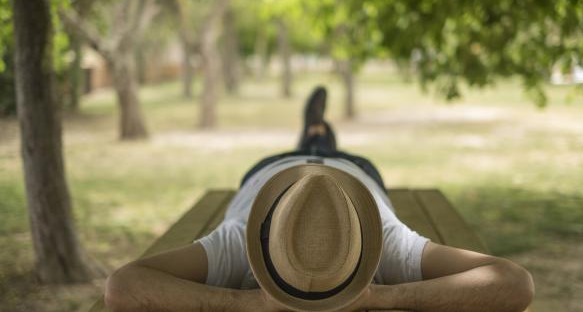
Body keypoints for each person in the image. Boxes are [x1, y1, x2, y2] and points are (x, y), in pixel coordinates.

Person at [104, 87, 534, 312]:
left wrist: (375, 298)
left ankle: (314, 130)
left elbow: (514, 284)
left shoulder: (379, 238)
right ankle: (318, 131)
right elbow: (120, 289)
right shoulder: (245, 239)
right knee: (327, 145)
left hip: (281, 171)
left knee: (315, 143)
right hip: (347, 172)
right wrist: (381, 298)